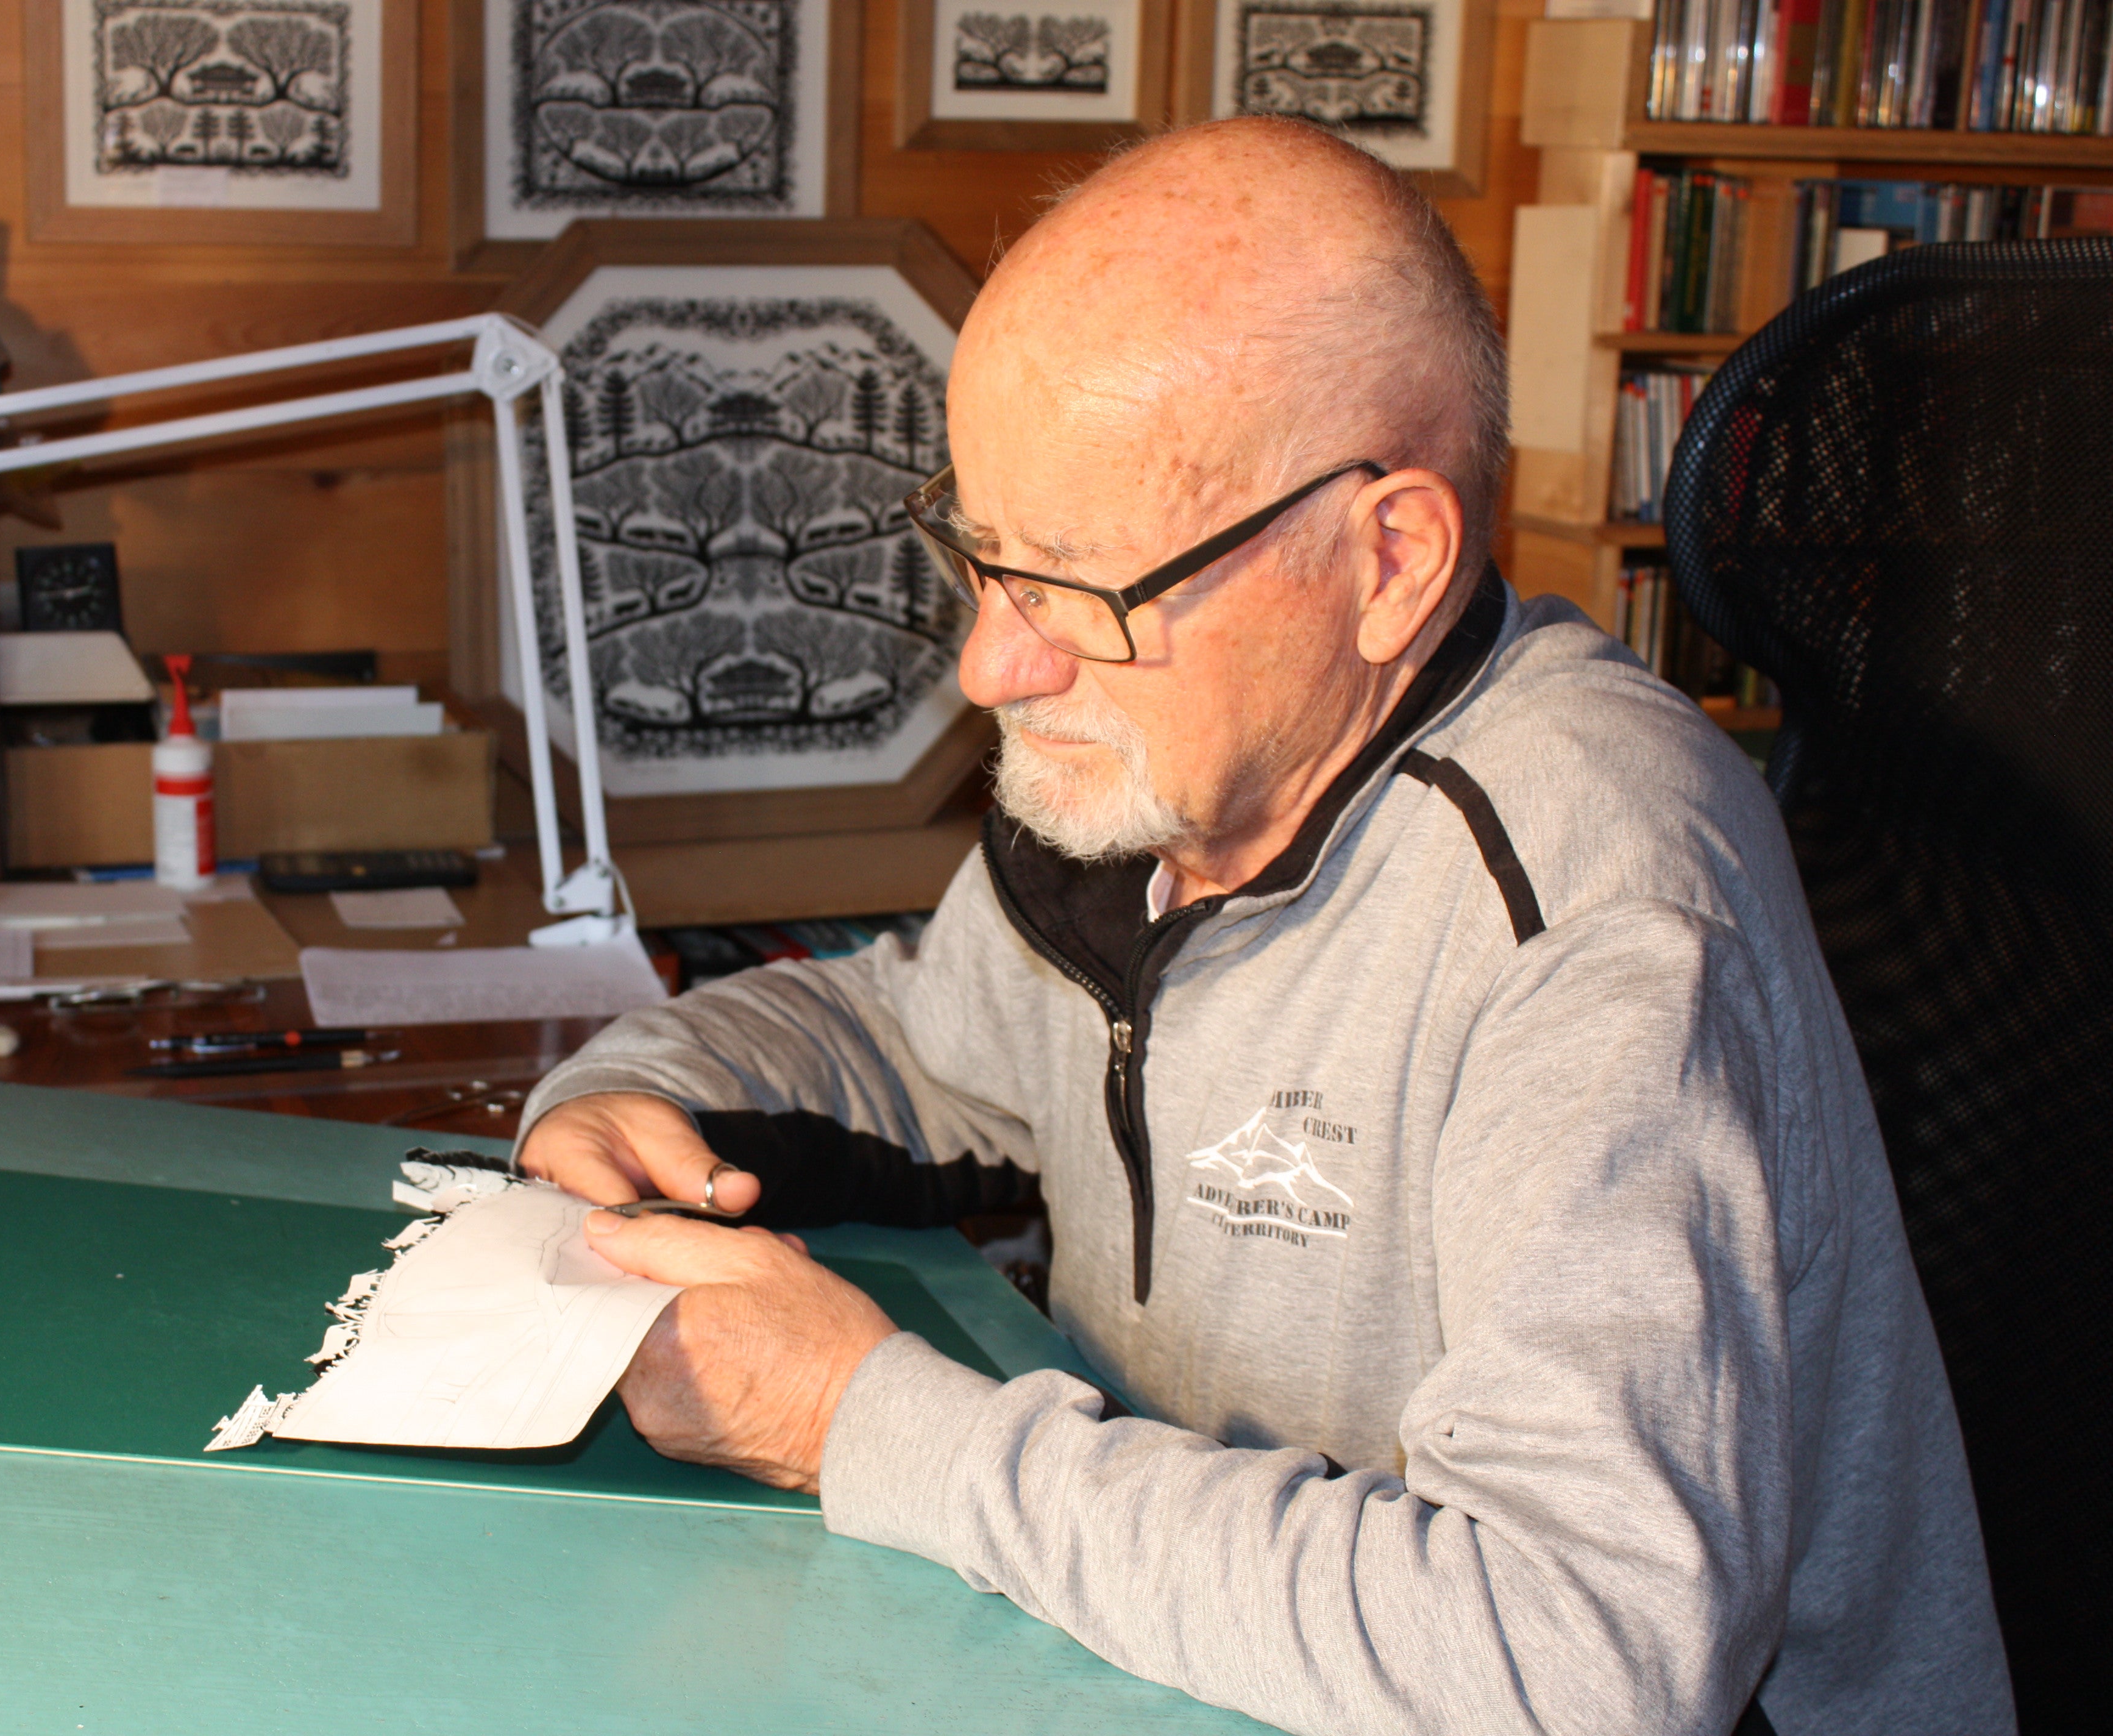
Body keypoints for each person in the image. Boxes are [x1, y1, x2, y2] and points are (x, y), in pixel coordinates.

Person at [517, 119, 2012, 1735]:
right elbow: (917, 1041)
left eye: (1078, 588)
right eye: (982, 555)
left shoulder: (1597, 901)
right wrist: (625, 1095)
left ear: (1390, 561)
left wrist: (872, 1426)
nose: (992, 670)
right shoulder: (1154, 777)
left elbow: (1584, 1658)